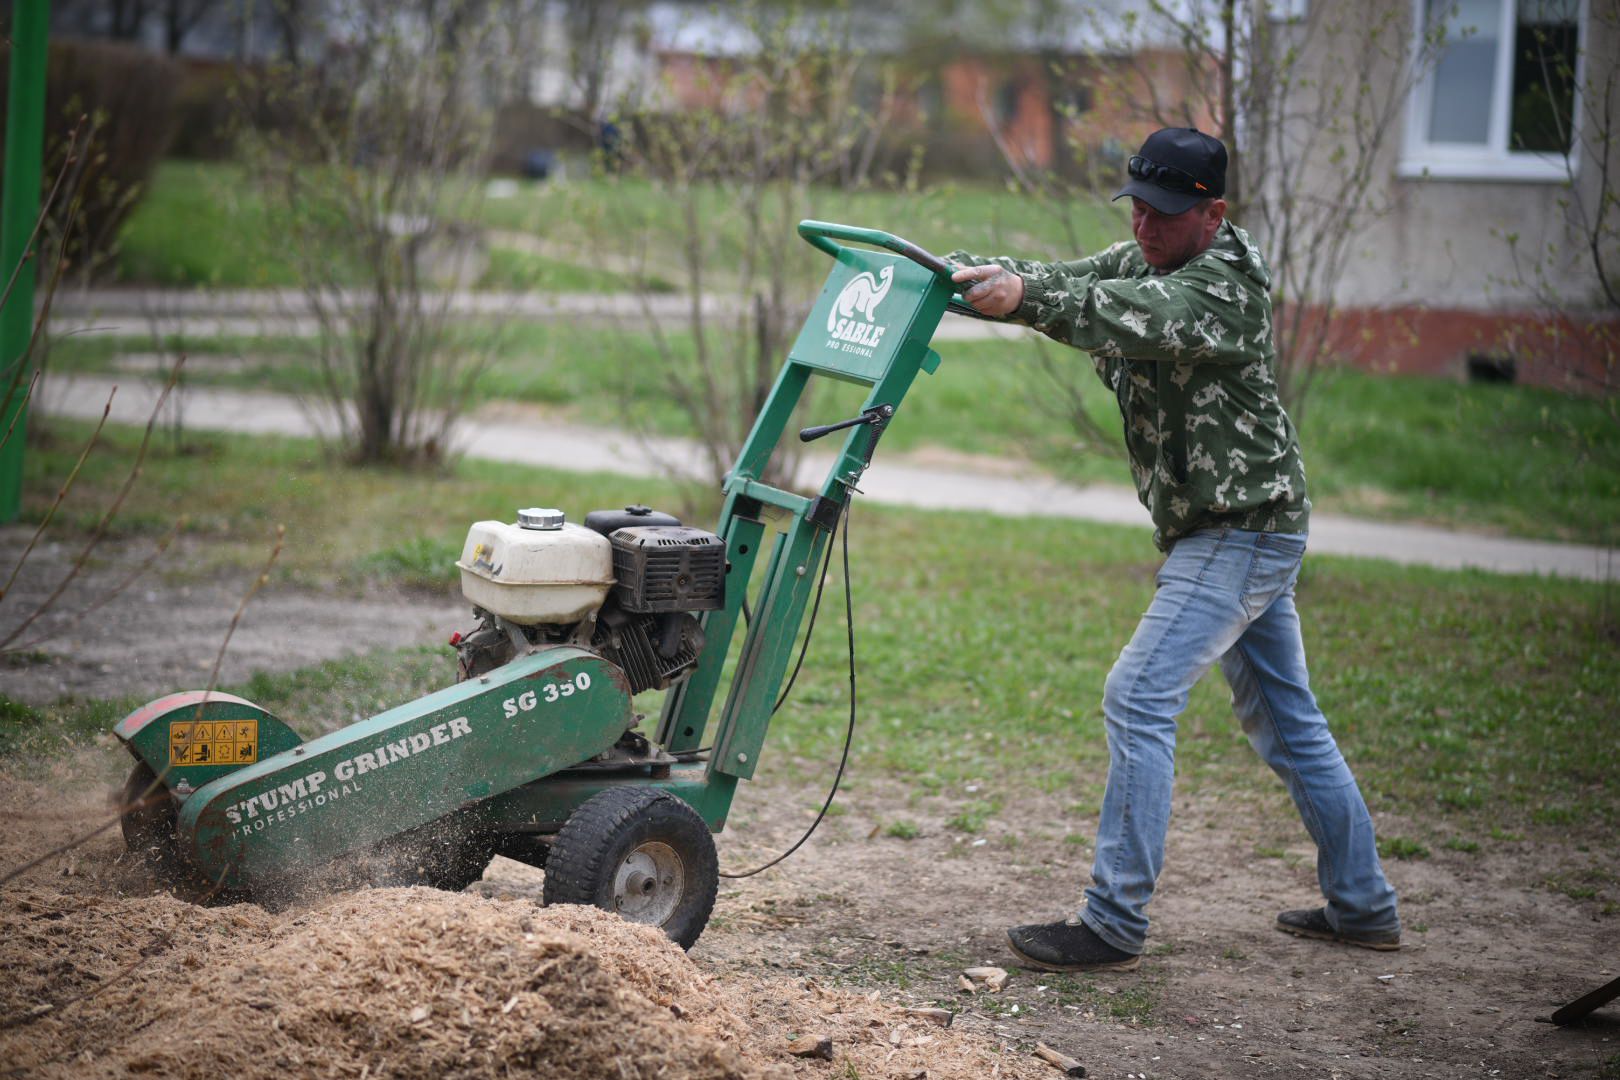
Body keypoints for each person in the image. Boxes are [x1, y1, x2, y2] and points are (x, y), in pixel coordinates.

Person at [948, 127, 1401, 973]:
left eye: (1164, 213)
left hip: (1244, 527)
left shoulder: (1222, 289)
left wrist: (1028, 301)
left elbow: (1109, 313)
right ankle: (1365, 905)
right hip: (1229, 526)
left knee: (1138, 695)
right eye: (1137, 210)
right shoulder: (1143, 260)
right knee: (1287, 723)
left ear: (1212, 213)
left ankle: (1113, 921)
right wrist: (962, 276)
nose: (1144, 228)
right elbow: (1066, 280)